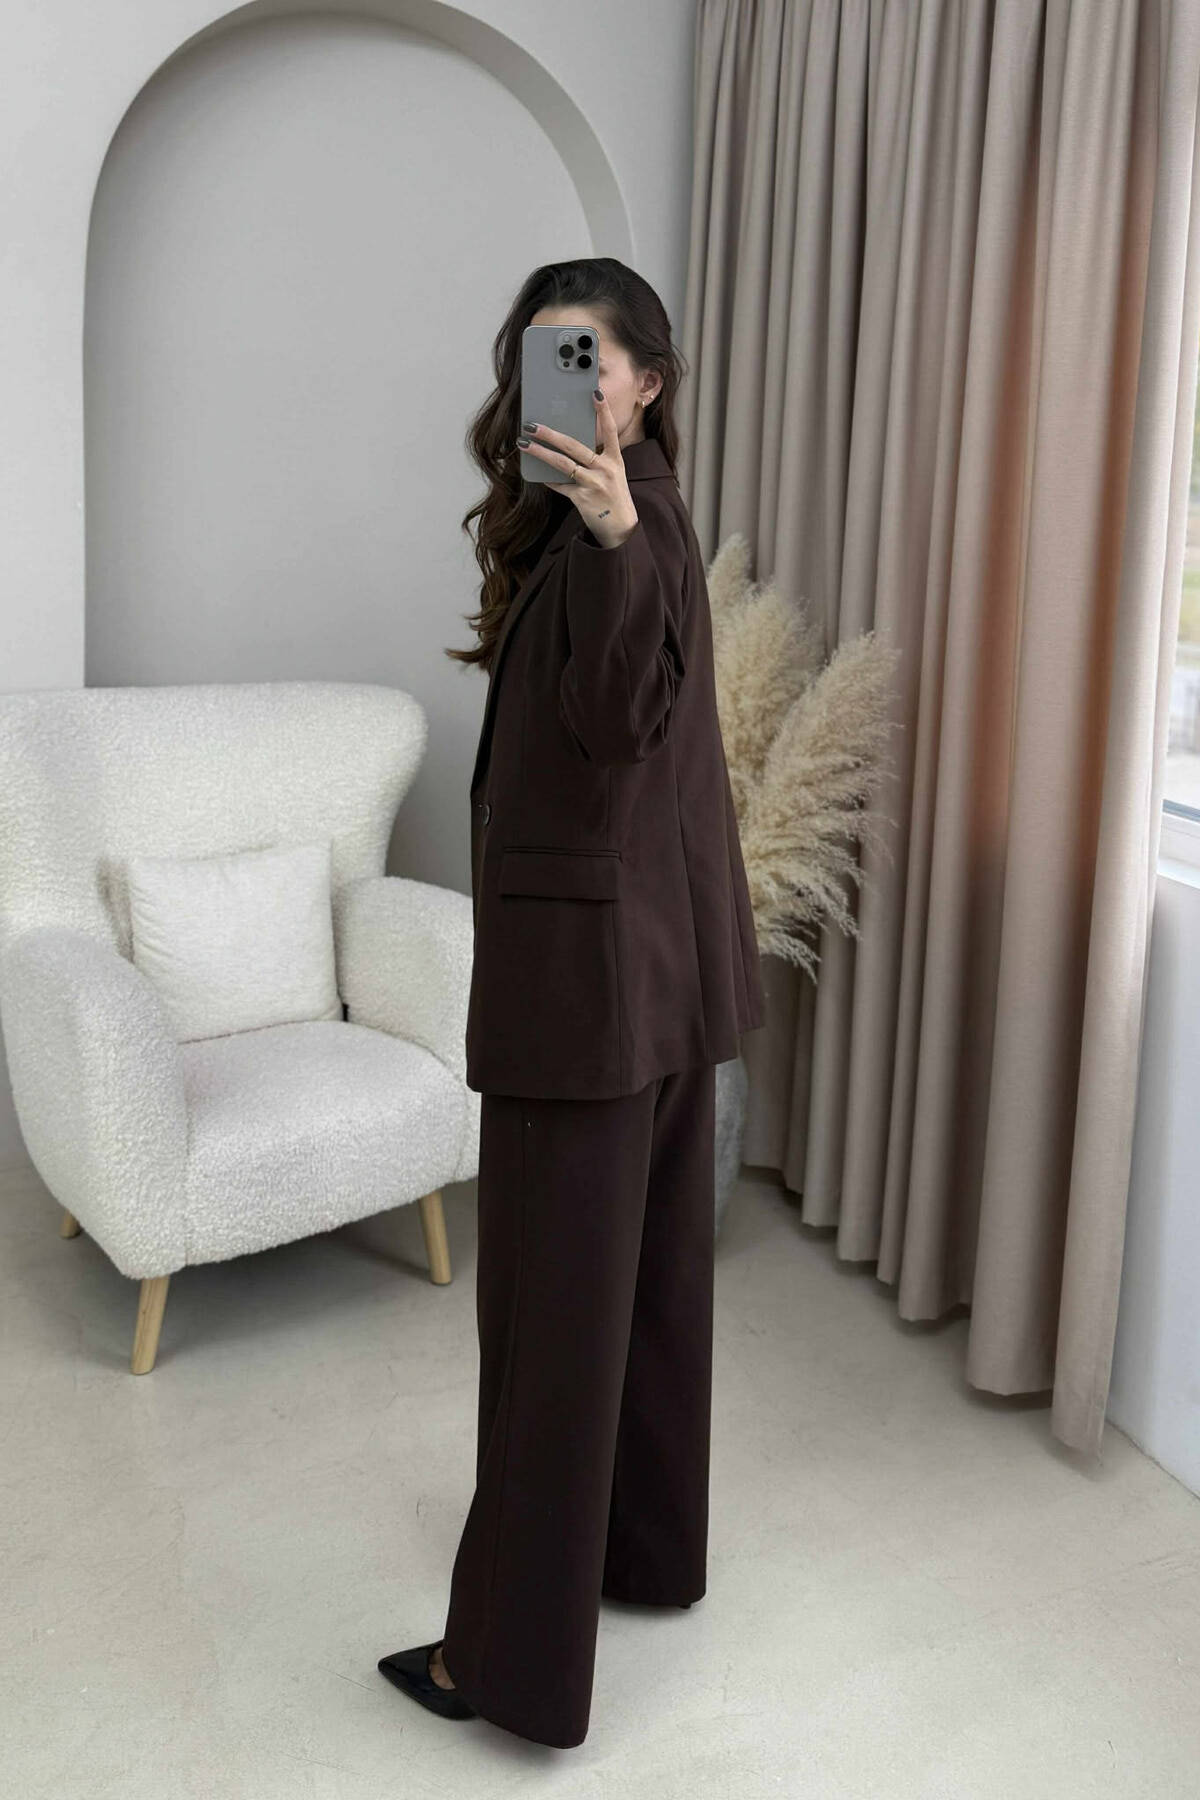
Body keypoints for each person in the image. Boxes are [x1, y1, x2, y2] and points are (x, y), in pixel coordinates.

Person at [377, 258, 764, 1748]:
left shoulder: (625, 527)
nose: (568, 379)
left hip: (583, 999)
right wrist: (594, 531)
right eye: (544, 355)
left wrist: (601, 541)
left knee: (548, 1330)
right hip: (656, 981)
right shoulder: (642, 510)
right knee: (645, 1299)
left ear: (648, 382)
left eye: (591, 355)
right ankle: (645, 1556)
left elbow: (613, 719)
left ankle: (508, 1667)